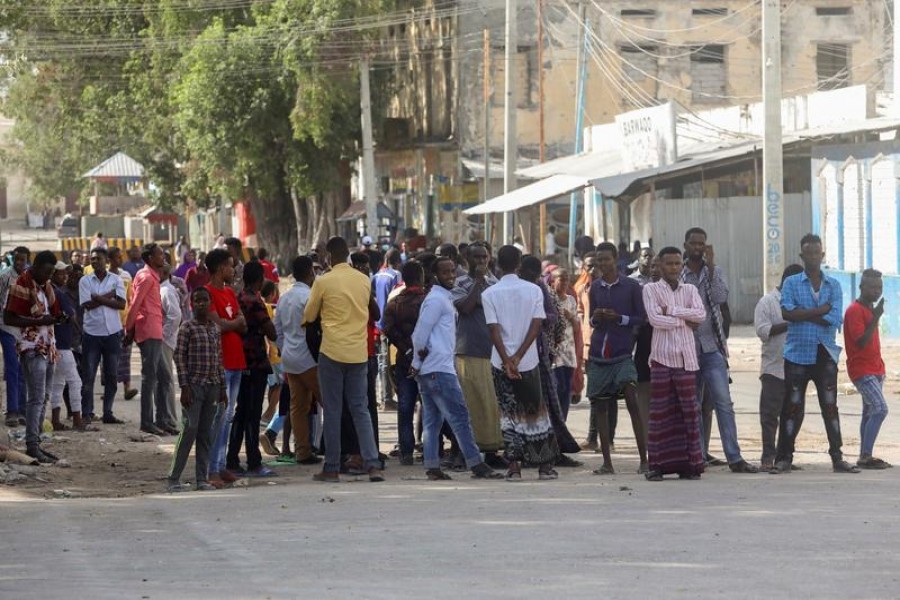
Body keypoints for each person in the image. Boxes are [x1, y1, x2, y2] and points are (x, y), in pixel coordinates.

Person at [772, 233, 858, 474]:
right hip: (797, 354)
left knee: (830, 406)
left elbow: (834, 318)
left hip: (825, 354)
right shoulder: (791, 283)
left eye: (816, 253)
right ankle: (784, 458)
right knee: (791, 406)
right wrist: (820, 309)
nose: (812, 257)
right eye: (808, 253)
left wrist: (804, 313)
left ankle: (837, 457)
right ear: (802, 256)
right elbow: (787, 314)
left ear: (822, 254)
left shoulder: (834, 285)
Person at [410, 257, 502, 481]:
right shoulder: (436, 301)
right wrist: (415, 361)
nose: (450, 275)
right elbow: (420, 333)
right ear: (435, 276)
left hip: (432, 368)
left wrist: (418, 363)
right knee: (460, 417)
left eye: (452, 271)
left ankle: (432, 466)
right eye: (445, 272)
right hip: (438, 369)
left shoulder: (443, 298)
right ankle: (476, 464)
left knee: (433, 420)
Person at [303, 236, 384, 483]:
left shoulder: (323, 281)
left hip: (332, 351)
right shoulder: (362, 280)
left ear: (329, 255)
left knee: (334, 411)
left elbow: (309, 315)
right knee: (361, 410)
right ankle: (372, 465)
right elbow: (373, 311)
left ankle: (332, 467)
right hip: (358, 353)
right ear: (347, 254)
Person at [681, 227, 757, 474]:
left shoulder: (715, 272)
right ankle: (697, 456)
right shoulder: (679, 275)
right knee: (692, 406)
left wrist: (711, 266)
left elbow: (720, 297)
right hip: (687, 349)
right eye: (693, 243)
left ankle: (734, 458)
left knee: (723, 403)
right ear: (685, 245)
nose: (698, 248)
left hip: (712, 347)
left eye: (702, 244)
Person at [482, 245, 559, 481]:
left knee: (508, 412)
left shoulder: (489, 294)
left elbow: (493, 331)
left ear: (497, 264)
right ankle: (544, 465)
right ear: (519, 264)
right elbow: (537, 326)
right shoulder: (534, 290)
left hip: (500, 362)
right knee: (535, 410)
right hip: (528, 361)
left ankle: (514, 466)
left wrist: (507, 360)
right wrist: (518, 357)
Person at [641, 246, 707, 481]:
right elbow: (655, 320)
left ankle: (691, 464)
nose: (674, 268)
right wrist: (684, 320)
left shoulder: (689, 289)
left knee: (689, 412)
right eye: (669, 264)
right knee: (660, 412)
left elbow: (700, 316)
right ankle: (656, 465)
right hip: (661, 358)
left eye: (677, 264)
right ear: (659, 265)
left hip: (687, 359)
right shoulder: (650, 289)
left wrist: (672, 310)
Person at [586, 242, 649, 475]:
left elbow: (641, 318)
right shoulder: (595, 288)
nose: (602, 264)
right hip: (598, 355)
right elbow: (591, 322)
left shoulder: (631, 286)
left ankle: (644, 460)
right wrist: (597, 317)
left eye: (606, 259)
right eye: (599, 260)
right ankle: (607, 463)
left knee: (632, 402)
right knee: (601, 407)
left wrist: (620, 318)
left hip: (622, 353)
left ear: (615, 260)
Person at [4, 251, 66, 463]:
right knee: (36, 398)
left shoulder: (45, 287)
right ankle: (32, 444)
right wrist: (39, 321)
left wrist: (58, 318)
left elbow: (52, 312)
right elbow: (9, 317)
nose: (49, 276)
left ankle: (36, 442)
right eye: (47, 271)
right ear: (37, 267)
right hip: (31, 346)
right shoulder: (22, 283)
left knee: (45, 397)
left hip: (48, 345)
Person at [451, 243, 505, 468]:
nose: (482, 261)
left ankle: (491, 451)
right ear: (468, 259)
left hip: (491, 351)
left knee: (490, 404)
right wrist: (478, 283)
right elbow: (464, 308)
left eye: (485, 256)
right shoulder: (460, 282)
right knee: (468, 403)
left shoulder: (496, 283)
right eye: (477, 257)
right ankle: (464, 452)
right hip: (468, 350)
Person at [167, 287, 225, 492]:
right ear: (192, 304)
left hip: (212, 386)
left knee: (205, 434)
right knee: (189, 429)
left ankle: (201, 479)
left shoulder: (214, 329)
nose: (201, 304)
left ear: (210, 303)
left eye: (204, 300)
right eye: (197, 300)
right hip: (194, 387)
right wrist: (184, 386)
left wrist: (222, 388)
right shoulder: (187, 328)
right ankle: (173, 478)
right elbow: (179, 357)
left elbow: (219, 359)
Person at [227, 261, 277, 477]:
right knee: (253, 413)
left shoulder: (238, 298)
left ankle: (232, 459)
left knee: (241, 411)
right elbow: (271, 332)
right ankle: (254, 461)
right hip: (255, 360)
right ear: (259, 279)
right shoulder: (255, 301)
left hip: (241, 360)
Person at [203, 248, 247, 486]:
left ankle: (221, 465)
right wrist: (233, 323)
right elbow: (217, 325)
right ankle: (211, 469)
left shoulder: (230, 292)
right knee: (218, 417)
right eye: (231, 266)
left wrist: (231, 323)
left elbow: (243, 324)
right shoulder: (207, 294)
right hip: (221, 363)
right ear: (221, 268)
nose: (234, 269)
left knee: (227, 417)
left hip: (236, 361)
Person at [754, 264, 804, 470]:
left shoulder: (802, 303)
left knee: (794, 415)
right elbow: (763, 331)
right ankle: (768, 456)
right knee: (770, 415)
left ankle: (785, 456)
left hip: (798, 368)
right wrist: (791, 322)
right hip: (774, 368)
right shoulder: (767, 302)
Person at [273, 256, 322, 465]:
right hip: (310, 359)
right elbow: (318, 329)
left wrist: (284, 350)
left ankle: (302, 450)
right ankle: (340, 449)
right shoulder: (310, 296)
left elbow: (277, 331)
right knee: (330, 402)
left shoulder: (284, 297)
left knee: (298, 407)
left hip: (290, 359)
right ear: (310, 272)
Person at [844, 269, 891, 470]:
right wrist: (876, 317)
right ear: (861, 287)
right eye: (872, 287)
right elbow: (861, 341)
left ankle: (865, 454)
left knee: (869, 412)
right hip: (862, 370)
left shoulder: (870, 309)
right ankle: (865, 455)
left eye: (879, 287)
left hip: (875, 368)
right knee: (880, 409)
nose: (876, 291)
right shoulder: (855, 310)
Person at [382, 260, 427, 465]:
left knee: (405, 407)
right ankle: (429, 448)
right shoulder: (429, 300)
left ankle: (406, 452)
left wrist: (407, 349)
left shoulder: (395, 303)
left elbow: (388, 330)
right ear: (421, 276)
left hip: (403, 361)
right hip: (428, 360)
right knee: (430, 406)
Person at [125, 243, 172, 436]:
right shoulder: (146, 277)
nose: (164, 258)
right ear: (151, 258)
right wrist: (128, 330)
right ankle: (147, 421)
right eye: (160, 255)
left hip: (155, 329)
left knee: (164, 376)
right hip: (148, 330)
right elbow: (135, 304)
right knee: (150, 378)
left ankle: (161, 420)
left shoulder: (152, 276)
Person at [79, 248, 127, 424]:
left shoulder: (116, 279)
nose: (94, 261)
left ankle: (108, 412)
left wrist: (98, 297)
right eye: (92, 259)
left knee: (112, 376)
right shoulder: (85, 281)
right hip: (92, 333)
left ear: (106, 260)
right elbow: (87, 305)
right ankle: (87, 413)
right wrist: (109, 296)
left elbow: (121, 305)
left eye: (98, 258)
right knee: (89, 376)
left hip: (112, 333)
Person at [48, 262, 90, 431]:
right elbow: (71, 316)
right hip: (62, 345)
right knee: (75, 381)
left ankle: (56, 420)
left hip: (56, 343)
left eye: (65, 274)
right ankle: (77, 419)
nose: (64, 277)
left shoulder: (50, 291)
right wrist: (80, 331)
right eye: (61, 274)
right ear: (52, 275)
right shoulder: (59, 293)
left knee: (58, 383)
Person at [0, 246, 29, 427]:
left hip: (24, 329)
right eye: (17, 259)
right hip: (6, 327)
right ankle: (12, 411)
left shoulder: (29, 278)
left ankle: (22, 410)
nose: (19, 263)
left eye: (23, 260)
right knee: (12, 369)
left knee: (23, 370)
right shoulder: (4, 277)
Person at [629, 246, 656, 446]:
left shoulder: (662, 282)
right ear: (638, 259)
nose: (648, 260)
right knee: (643, 387)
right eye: (645, 256)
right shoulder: (631, 282)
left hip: (660, 335)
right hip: (641, 336)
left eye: (652, 257)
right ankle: (646, 438)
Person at [549, 267, 581, 421]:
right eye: (561, 279)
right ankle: (555, 422)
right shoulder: (548, 300)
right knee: (556, 387)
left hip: (568, 352)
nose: (565, 283)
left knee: (566, 389)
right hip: (554, 353)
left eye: (567, 279)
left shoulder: (570, 300)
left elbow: (576, 328)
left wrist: (570, 317)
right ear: (553, 281)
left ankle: (563, 423)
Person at [108, 247, 138, 402]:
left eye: (120, 257)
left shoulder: (126, 276)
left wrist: (131, 321)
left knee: (125, 356)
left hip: (124, 321)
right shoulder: (103, 276)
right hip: (107, 324)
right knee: (110, 358)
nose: (119, 260)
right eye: (116, 257)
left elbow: (130, 298)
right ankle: (110, 389)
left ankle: (127, 388)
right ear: (109, 260)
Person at [157, 264, 182, 434]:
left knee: (166, 381)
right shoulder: (161, 289)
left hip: (164, 341)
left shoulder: (166, 291)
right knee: (161, 381)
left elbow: (175, 316)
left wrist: (163, 336)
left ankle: (171, 420)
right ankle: (164, 418)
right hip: (162, 340)